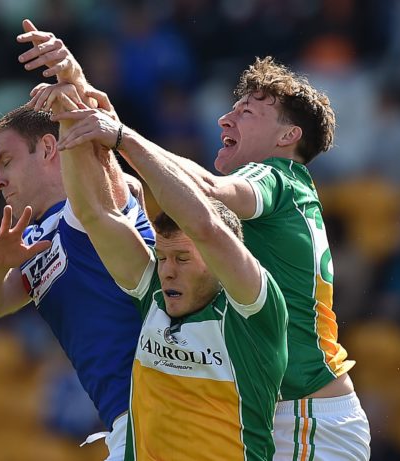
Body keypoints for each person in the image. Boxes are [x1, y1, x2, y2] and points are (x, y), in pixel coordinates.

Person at [18, 21, 371, 459]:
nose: (225, 118)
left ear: (287, 137)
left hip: (304, 419)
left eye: (246, 112)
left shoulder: (278, 175)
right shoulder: (271, 197)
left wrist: (118, 133)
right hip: (269, 409)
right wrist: (78, 89)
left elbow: (201, 199)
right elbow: (115, 203)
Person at [49, 88, 288, 460]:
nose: (168, 272)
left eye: (182, 258)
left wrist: (121, 137)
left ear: (218, 262)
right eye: (162, 258)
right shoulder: (154, 297)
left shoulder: (253, 312)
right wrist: (67, 121)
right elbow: (95, 213)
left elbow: (206, 227)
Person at [0, 105, 155, 461]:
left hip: (167, 405)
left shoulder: (99, 201)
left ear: (49, 148)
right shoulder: (34, 240)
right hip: (129, 423)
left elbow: (101, 166)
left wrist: (68, 83)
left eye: (6, 161)